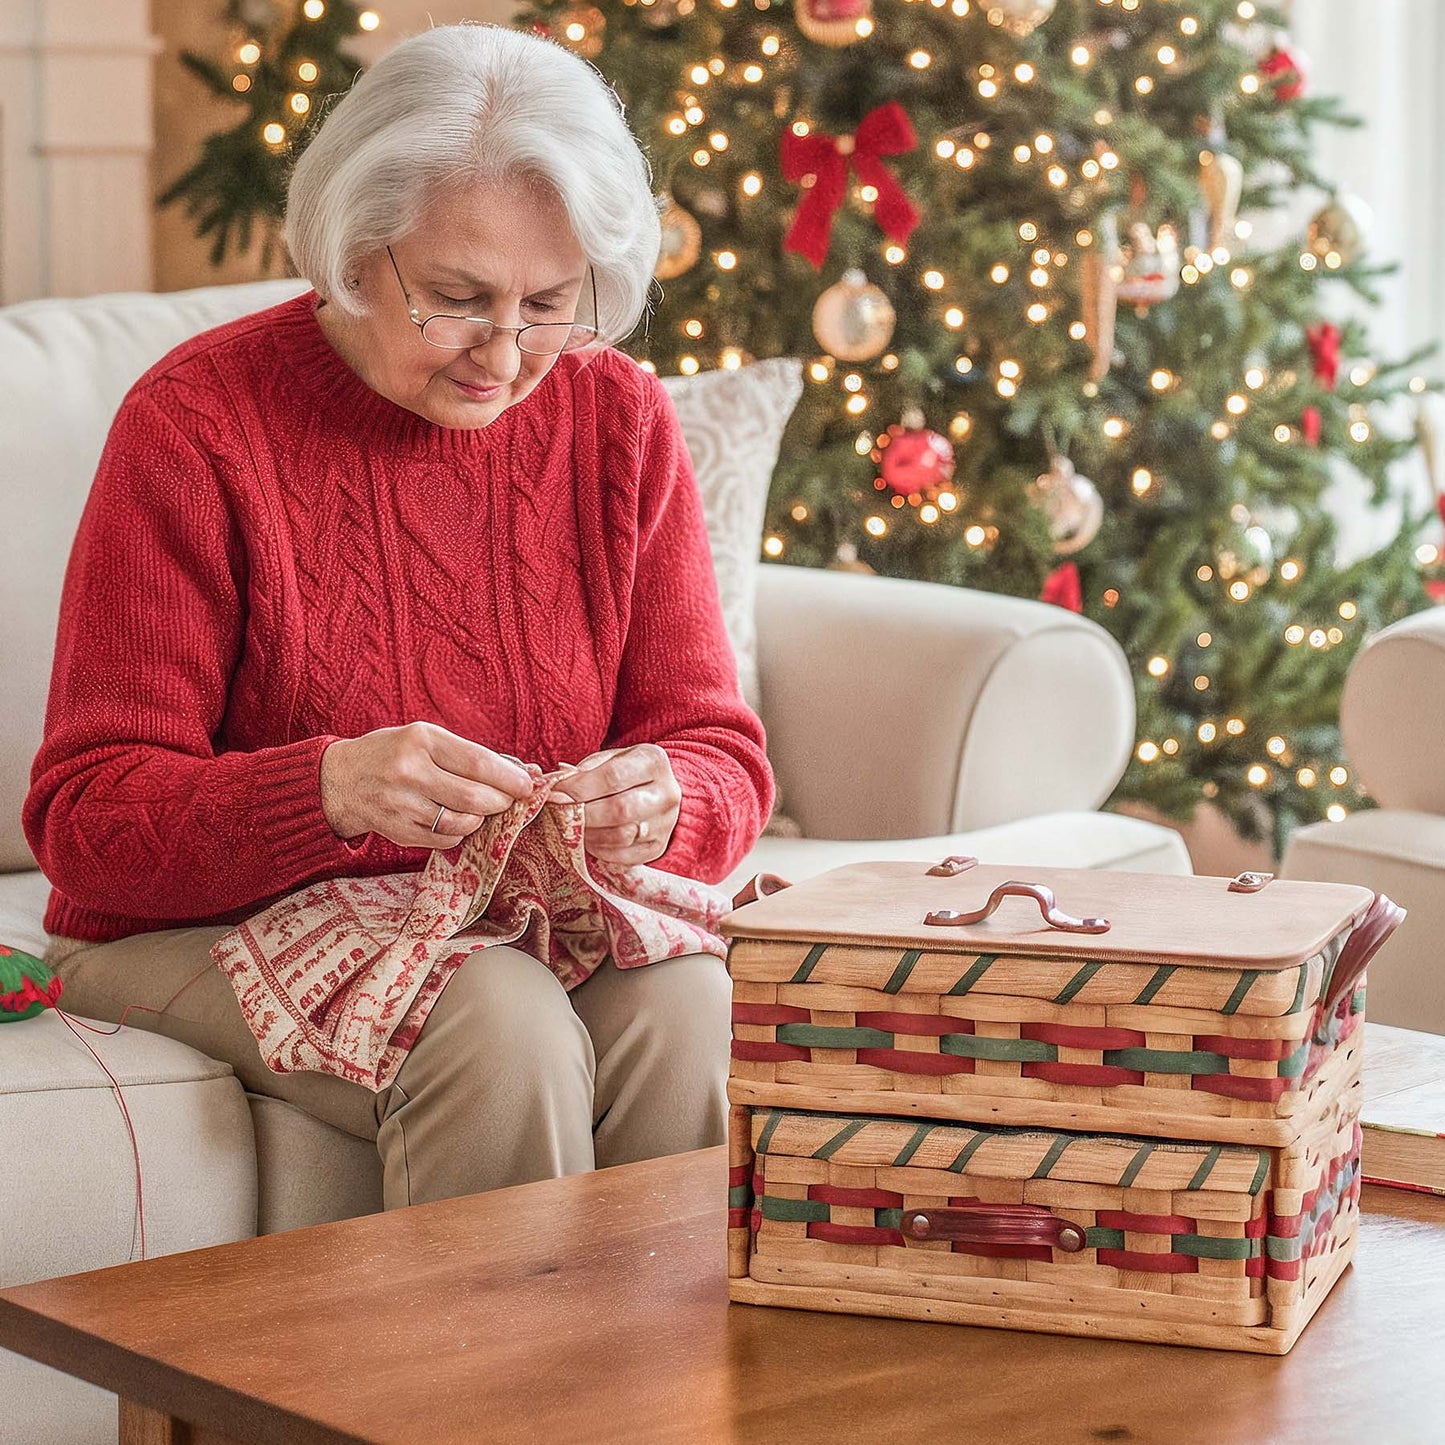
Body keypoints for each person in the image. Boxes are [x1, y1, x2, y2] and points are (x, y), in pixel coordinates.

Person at [22, 22, 772, 1210]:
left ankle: (653, 1344)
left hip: (498, 913)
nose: (505, 355)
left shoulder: (617, 419)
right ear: (357, 254)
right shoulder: (195, 425)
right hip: (186, 924)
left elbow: (718, 752)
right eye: (458, 300)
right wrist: (326, 789)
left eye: (548, 303)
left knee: (686, 1005)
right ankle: (477, 1348)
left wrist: (663, 798)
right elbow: (86, 818)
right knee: (495, 1021)